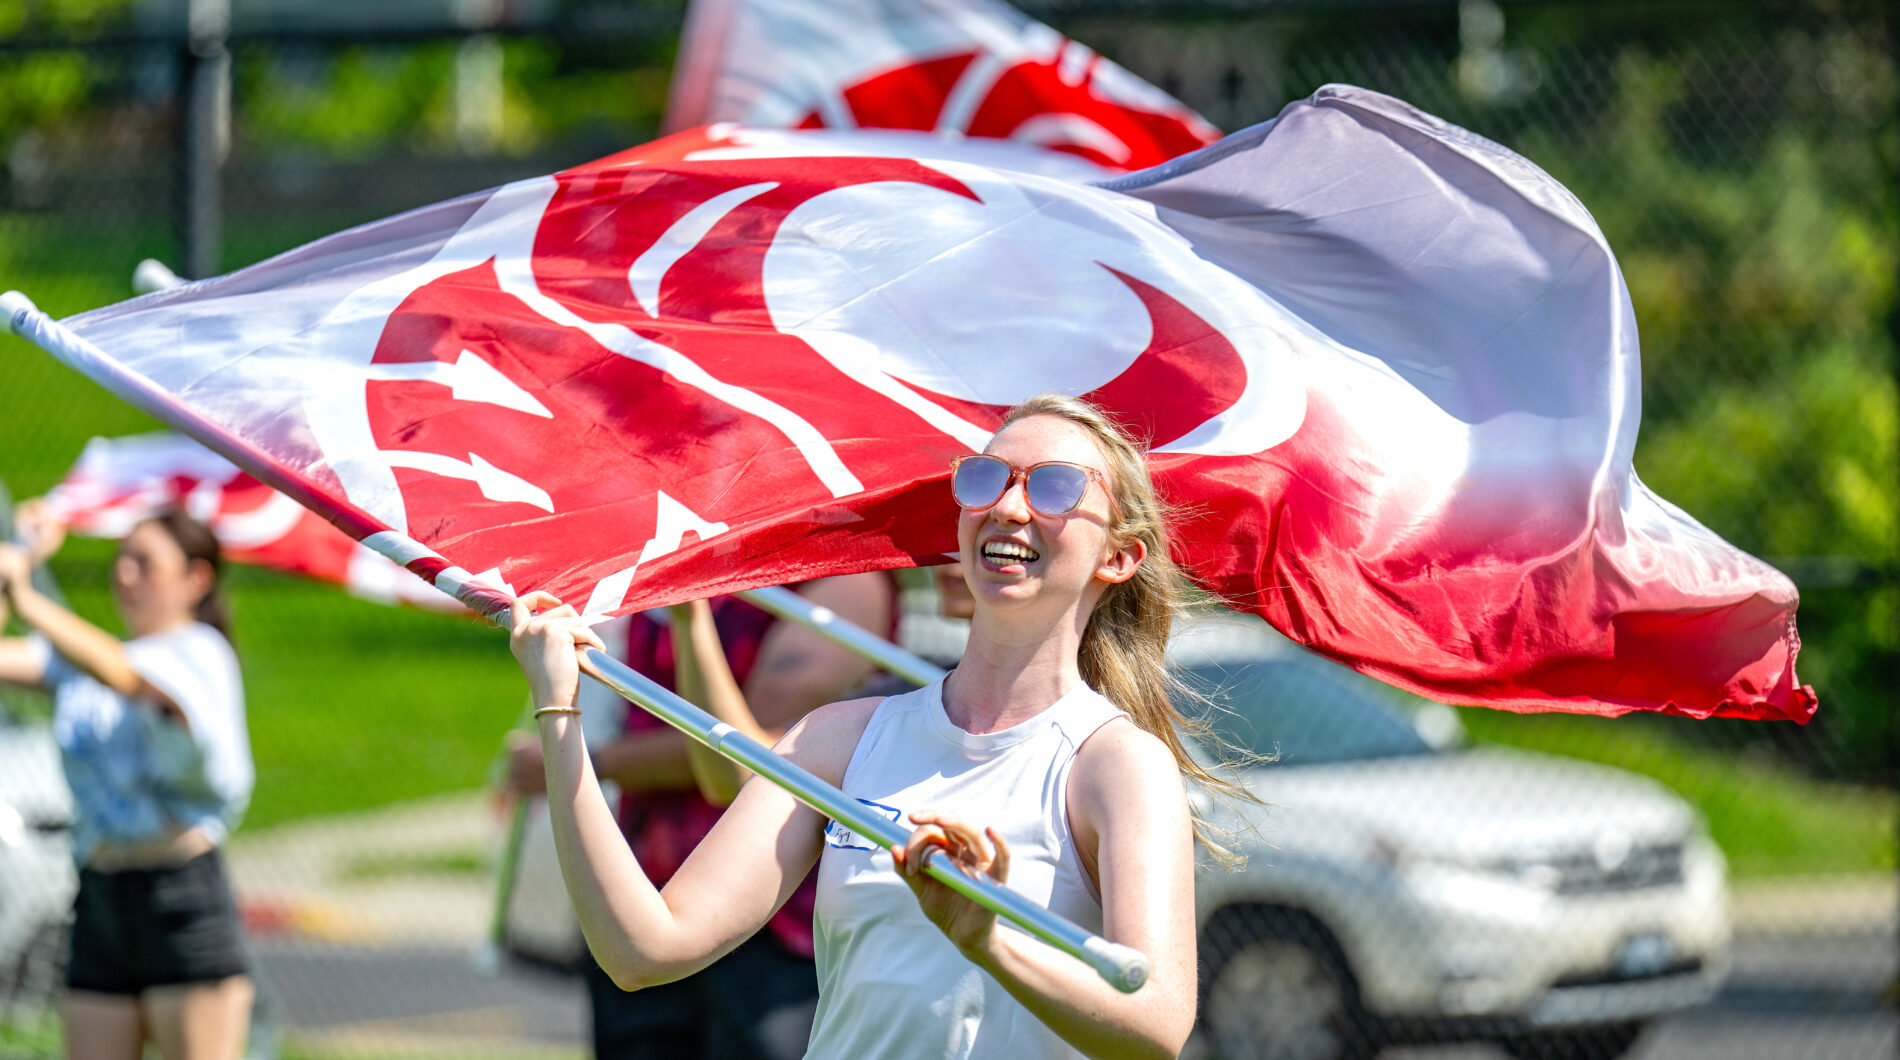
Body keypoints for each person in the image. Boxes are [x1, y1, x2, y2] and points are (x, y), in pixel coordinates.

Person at [512, 392, 1233, 1059]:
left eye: (1053, 488)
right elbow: (645, 949)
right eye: (987, 478)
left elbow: (1158, 1026)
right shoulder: (838, 739)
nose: (1010, 506)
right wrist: (559, 708)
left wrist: (990, 942)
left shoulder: (1116, 764)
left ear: (1119, 555)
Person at [505, 574, 894, 1059]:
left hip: (771, 919)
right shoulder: (672, 566)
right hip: (643, 885)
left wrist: (577, 747)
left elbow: (757, 756)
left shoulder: (842, 580)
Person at [0, 505, 254, 1060]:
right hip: (98, 895)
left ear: (197, 578)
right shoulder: (81, 661)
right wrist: (16, 560)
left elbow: (128, 677)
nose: (125, 574)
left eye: (144, 562)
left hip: (178, 896)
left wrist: (31, 602)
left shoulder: (199, 654)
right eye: (121, 560)